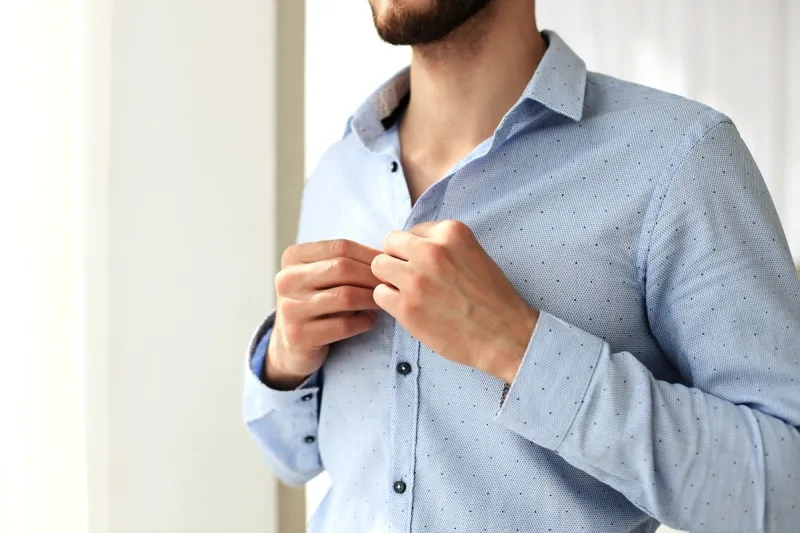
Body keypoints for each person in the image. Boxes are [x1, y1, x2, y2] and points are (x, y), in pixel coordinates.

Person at [242, 1, 800, 531]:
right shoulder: (339, 172)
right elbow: (292, 460)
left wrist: (520, 348)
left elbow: (789, 488)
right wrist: (287, 363)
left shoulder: (677, 160)